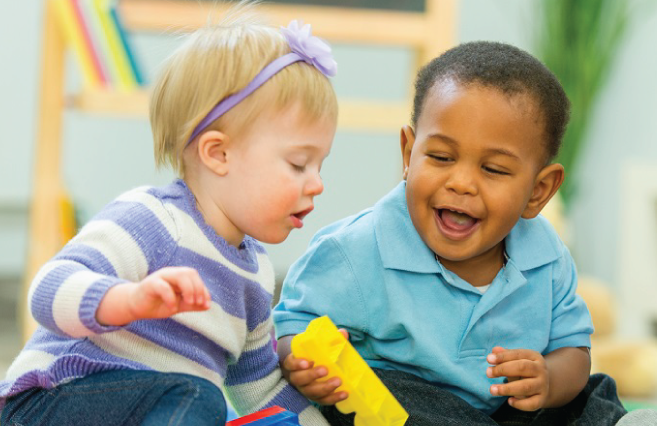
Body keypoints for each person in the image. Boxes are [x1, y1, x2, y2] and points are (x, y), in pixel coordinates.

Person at [0, 4, 338, 425]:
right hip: (52, 402)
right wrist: (126, 300)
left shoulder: (255, 276)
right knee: (200, 398)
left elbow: (262, 388)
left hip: (169, 407)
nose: (316, 184)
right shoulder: (154, 220)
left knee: (211, 404)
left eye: (320, 165)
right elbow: (48, 291)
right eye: (298, 164)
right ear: (218, 153)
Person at [273, 41, 627, 425]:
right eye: (441, 158)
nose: (461, 183)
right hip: (413, 408)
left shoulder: (547, 257)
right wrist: (301, 363)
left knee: (592, 393)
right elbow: (292, 327)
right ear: (409, 154)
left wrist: (548, 378)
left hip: (507, 409)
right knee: (387, 396)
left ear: (538, 192)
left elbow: (573, 350)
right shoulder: (356, 249)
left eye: (493, 169)